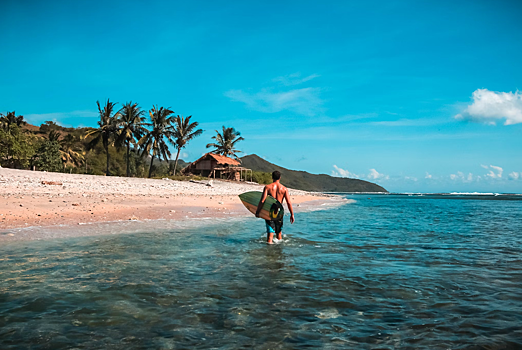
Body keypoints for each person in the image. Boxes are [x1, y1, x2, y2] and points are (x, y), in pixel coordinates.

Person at [255, 171, 295, 244]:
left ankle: (269, 252)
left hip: (270, 212)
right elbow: (289, 202)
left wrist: (258, 211)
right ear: (280, 178)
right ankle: (279, 251)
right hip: (279, 212)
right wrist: (292, 214)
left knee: (270, 235)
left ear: (272, 177)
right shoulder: (284, 189)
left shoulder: (267, 187)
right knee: (279, 234)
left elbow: (262, 201)